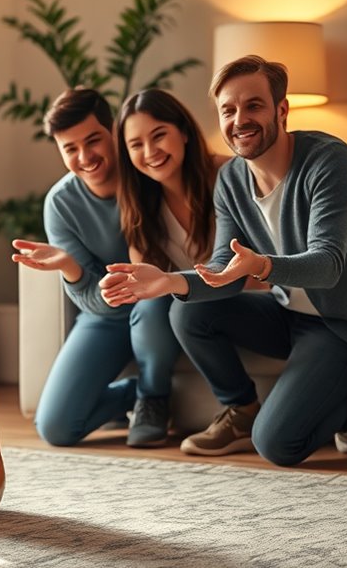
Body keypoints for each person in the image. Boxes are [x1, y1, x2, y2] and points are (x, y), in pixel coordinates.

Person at [100, 55, 347, 466]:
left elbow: (329, 264)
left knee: (277, 445)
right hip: (288, 314)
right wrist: (168, 281)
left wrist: (262, 265)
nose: (240, 120)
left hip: (343, 324)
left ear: (281, 110)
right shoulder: (232, 179)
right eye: (228, 110)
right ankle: (240, 410)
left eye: (254, 105)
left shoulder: (328, 160)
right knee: (187, 314)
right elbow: (223, 270)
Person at [11, 87, 183, 448]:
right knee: (56, 428)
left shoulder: (147, 173)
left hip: (159, 304)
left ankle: (154, 399)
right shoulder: (60, 203)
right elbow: (92, 298)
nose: (85, 156)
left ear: (114, 132)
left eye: (93, 141)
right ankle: (131, 394)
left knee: (151, 300)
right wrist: (72, 269)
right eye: (70, 149)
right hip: (104, 316)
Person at [112, 88, 233, 445]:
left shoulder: (228, 174)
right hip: (177, 307)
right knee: (149, 300)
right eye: (136, 144)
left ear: (183, 131)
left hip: (236, 297)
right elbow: (142, 280)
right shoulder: (137, 200)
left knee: (166, 298)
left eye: (159, 135)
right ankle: (151, 400)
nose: (150, 153)